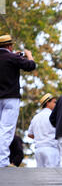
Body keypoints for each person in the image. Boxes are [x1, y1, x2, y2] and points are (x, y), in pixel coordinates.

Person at [0, 34, 36, 167]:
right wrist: (28, 55)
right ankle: (2, 162)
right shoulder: (12, 57)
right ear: (9, 46)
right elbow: (31, 65)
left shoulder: (11, 57)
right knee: (6, 130)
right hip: (10, 98)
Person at [28, 93, 59, 167]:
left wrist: (40, 137)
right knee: (53, 175)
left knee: (41, 176)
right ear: (47, 103)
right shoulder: (53, 115)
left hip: (38, 150)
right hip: (51, 149)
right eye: (54, 102)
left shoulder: (36, 117)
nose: (56, 104)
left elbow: (30, 134)